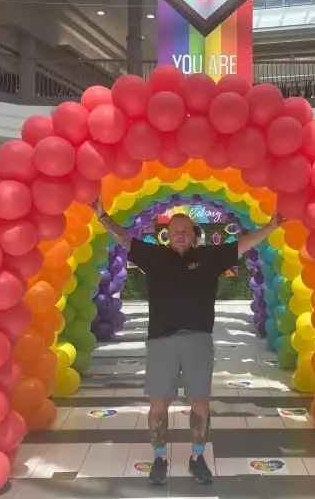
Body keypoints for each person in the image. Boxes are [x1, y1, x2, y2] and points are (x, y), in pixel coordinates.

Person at [94, 199, 281, 486]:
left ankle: (197, 457)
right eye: (175, 230)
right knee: (159, 404)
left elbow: (244, 244)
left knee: (200, 403)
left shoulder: (210, 258)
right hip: (160, 341)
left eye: (185, 230)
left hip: (198, 341)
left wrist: (270, 227)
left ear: (194, 234)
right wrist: (102, 216)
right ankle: (159, 457)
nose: (180, 234)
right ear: (166, 234)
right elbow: (123, 238)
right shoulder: (153, 256)